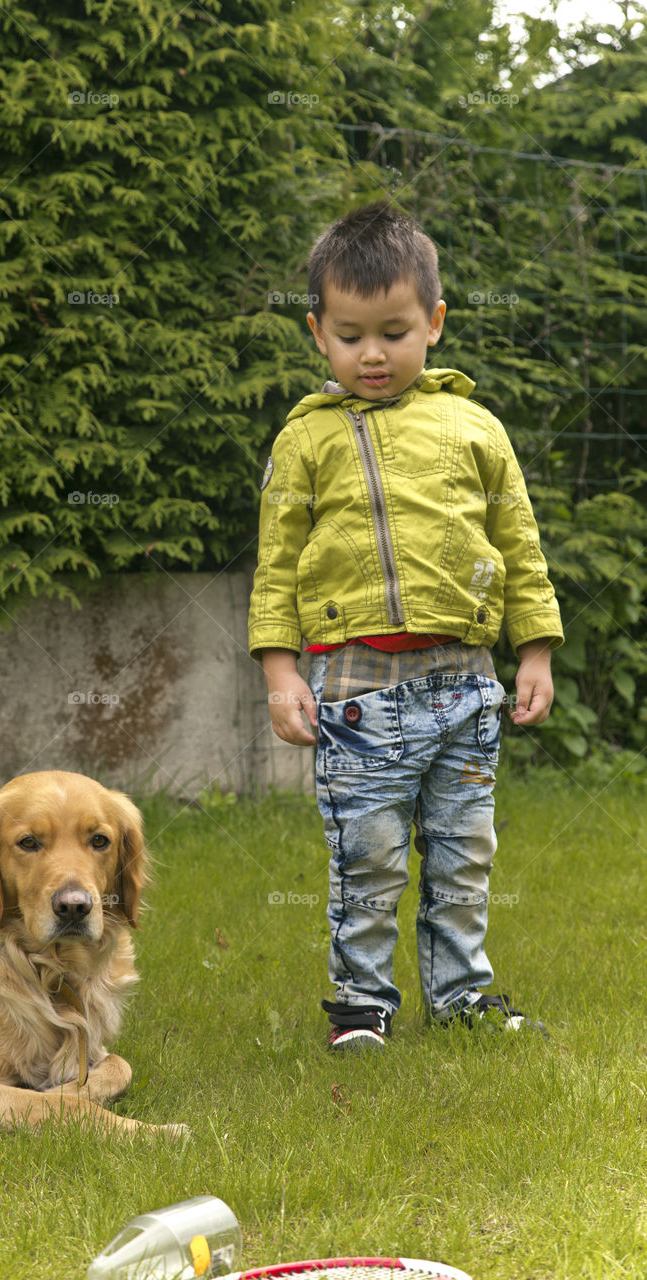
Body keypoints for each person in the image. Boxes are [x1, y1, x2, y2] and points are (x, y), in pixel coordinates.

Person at [248, 201, 563, 1052]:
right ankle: (361, 1005)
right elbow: (276, 568)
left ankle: (461, 997)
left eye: (392, 331)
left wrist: (533, 650)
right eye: (350, 335)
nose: (373, 354)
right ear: (317, 332)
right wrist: (280, 673)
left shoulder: (473, 428)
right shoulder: (305, 439)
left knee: (462, 856)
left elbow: (519, 546)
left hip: (466, 685)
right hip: (356, 691)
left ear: (434, 321)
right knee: (370, 856)